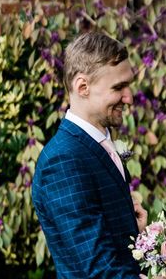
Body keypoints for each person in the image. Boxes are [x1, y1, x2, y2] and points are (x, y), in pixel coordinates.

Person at [32, 31, 147, 278]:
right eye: (119, 87)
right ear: (82, 87)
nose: (129, 97)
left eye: (129, 84)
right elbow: (95, 269)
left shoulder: (96, 144)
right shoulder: (63, 160)